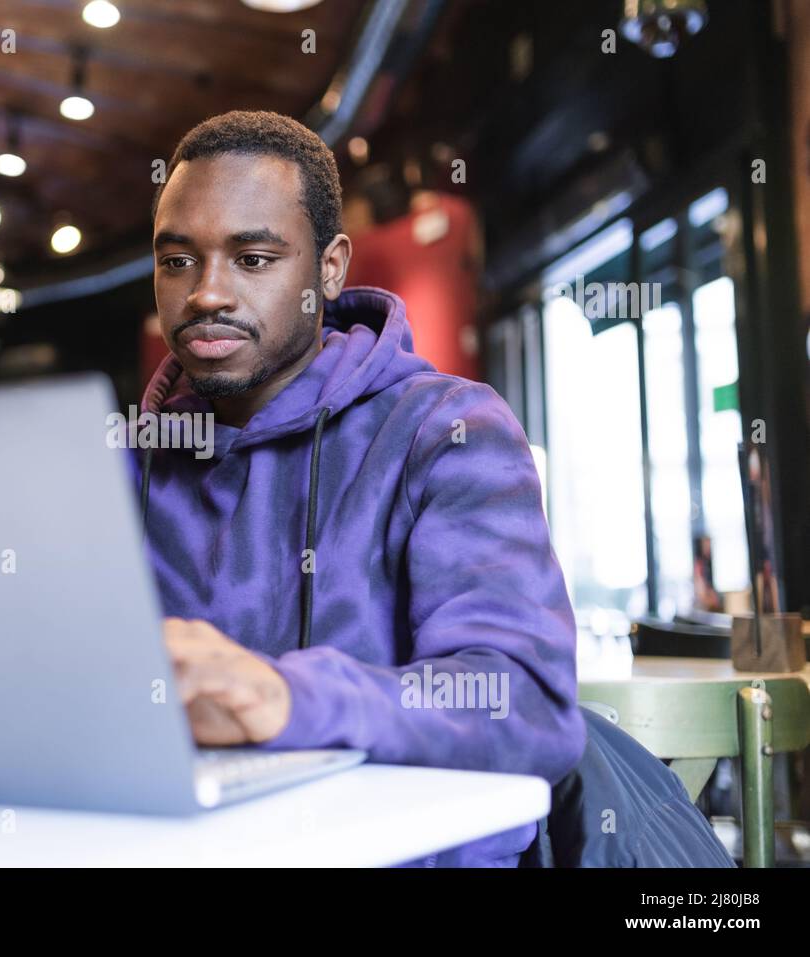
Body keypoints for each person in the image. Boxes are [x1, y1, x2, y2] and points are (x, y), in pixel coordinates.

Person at [140, 110, 584, 867]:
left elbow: (522, 705)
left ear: (331, 268)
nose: (207, 293)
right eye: (178, 260)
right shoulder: (131, 461)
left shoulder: (446, 430)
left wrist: (287, 698)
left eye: (252, 258)